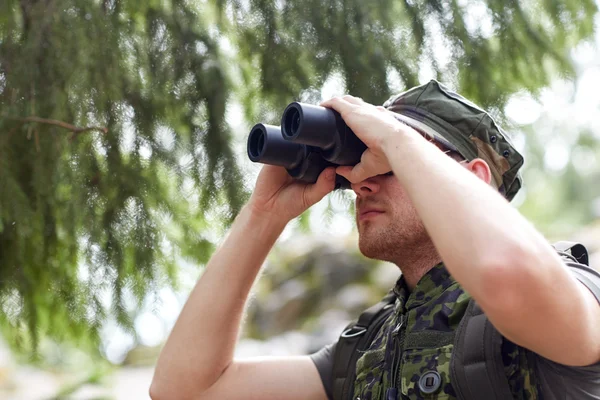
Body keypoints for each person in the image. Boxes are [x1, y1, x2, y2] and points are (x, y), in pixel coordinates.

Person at [149, 80, 600, 400]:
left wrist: (395, 136)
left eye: (386, 164)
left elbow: (504, 274)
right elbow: (186, 388)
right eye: (361, 163)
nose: (362, 183)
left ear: (475, 180)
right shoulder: (366, 346)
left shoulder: (568, 288)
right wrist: (262, 216)